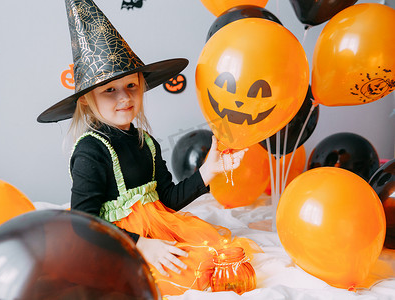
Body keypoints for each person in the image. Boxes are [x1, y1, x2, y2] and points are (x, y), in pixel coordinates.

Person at [38, 0, 260, 296]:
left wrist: (207, 172)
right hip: (113, 243)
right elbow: (84, 223)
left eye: (131, 86)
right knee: (180, 274)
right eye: (109, 90)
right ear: (86, 100)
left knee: (217, 255)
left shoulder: (147, 143)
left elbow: (166, 200)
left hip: (154, 233)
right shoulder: (91, 151)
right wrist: (141, 245)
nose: (124, 98)